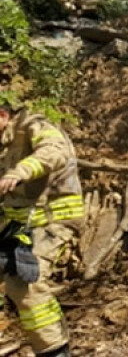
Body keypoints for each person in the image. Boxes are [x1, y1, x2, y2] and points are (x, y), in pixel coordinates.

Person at [0, 102, 84, 357]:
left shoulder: (35, 126)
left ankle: (55, 351)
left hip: (53, 222)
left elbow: (55, 152)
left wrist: (21, 171)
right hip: (17, 227)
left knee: (26, 283)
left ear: (2, 115)